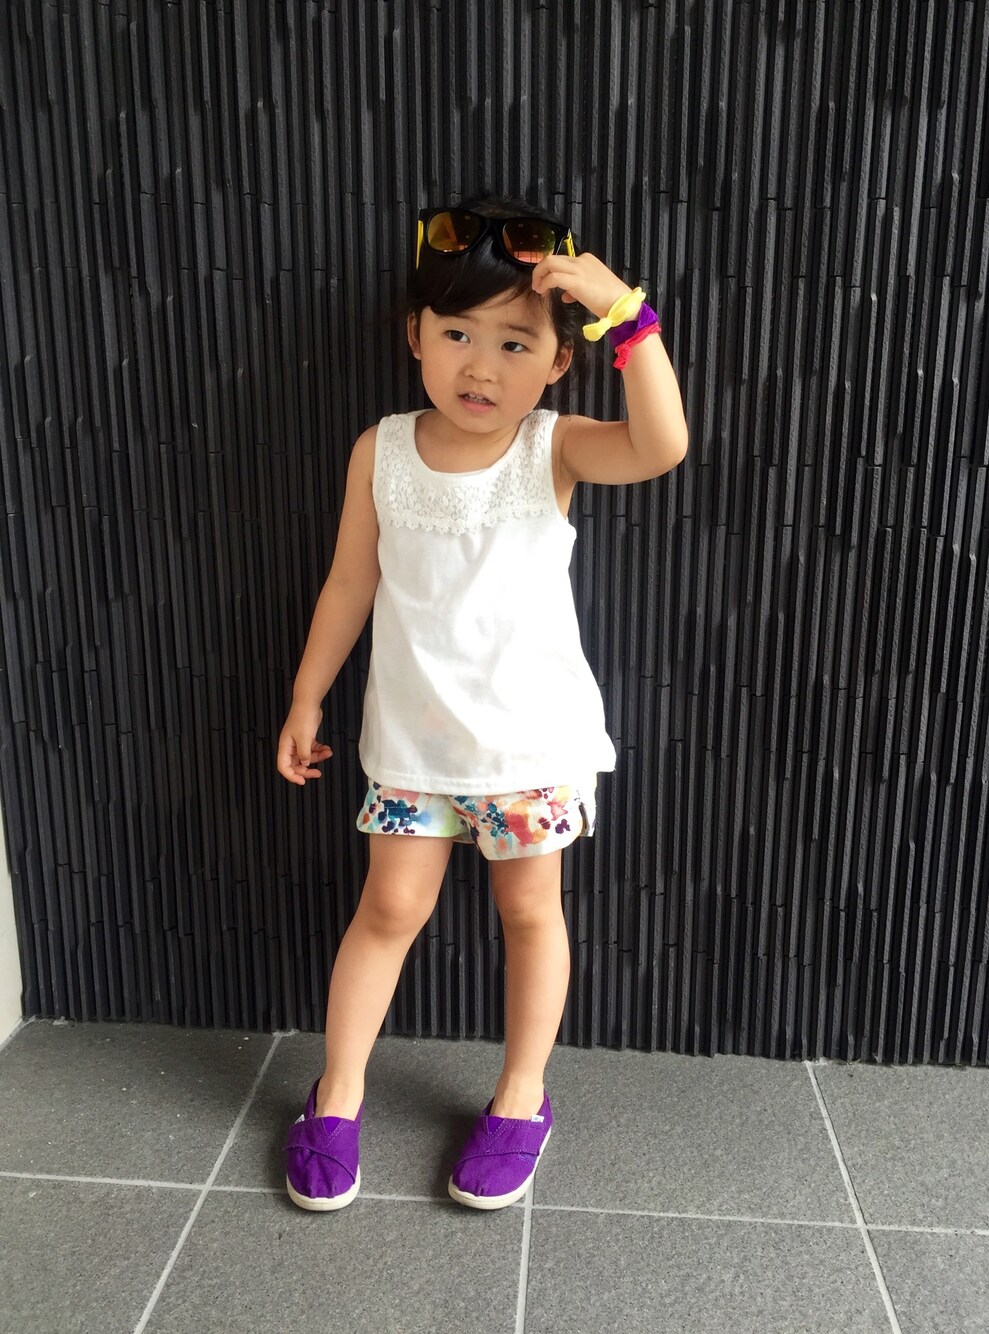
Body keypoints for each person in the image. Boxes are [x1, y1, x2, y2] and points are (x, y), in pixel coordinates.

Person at [276, 195, 688, 1212]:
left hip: (527, 751)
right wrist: (306, 696)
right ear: (414, 333)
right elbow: (349, 583)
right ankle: (336, 1093)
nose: (481, 366)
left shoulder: (555, 446)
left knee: (528, 911)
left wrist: (626, 315)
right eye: (457, 333)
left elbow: (661, 445)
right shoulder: (380, 450)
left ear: (555, 362)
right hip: (411, 746)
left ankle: (520, 1097)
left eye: (515, 343)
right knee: (388, 909)